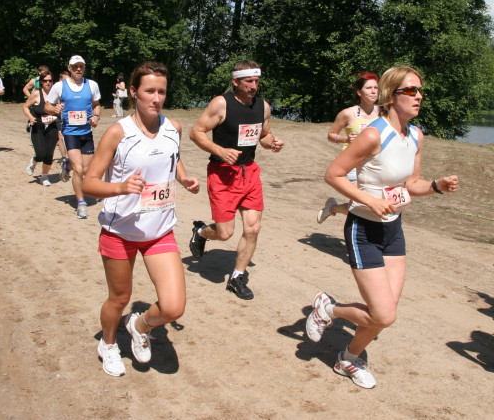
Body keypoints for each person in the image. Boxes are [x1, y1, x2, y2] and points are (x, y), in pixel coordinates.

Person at [305, 65, 458, 388]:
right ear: (391, 96)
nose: (419, 97)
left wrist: (436, 186)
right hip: (364, 230)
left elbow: (412, 183)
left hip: (393, 231)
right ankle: (329, 309)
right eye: (411, 91)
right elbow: (333, 174)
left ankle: (347, 358)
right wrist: (369, 200)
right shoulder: (373, 134)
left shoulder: (416, 136)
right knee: (384, 315)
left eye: (420, 90)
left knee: (384, 313)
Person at [82, 61, 200, 377]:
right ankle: (108, 344)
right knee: (120, 298)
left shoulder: (172, 127)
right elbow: (89, 182)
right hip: (120, 229)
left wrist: (185, 178)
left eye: (161, 91)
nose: (156, 98)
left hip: (159, 230)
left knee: (173, 307)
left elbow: (172, 159)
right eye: (149, 91)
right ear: (134, 92)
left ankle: (139, 325)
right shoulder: (118, 133)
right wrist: (120, 187)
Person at [188, 60, 284, 300]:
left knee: (253, 227)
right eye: (249, 81)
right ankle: (201, 232)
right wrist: (219, 150)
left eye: (256, 81)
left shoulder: (263, 107)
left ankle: (237, 277)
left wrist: (272, 142)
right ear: (236, 82)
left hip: (249, 172)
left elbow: (263, 135)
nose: (254, 86)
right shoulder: (221, 104)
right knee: (225, 233)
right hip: (222, 174)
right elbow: (196, 132)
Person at [317, 71, 380, 223]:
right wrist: (345, 138)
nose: (373, 91)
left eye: (376, 88)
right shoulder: (348, 114)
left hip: (375, 165)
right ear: (359, 92)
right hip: (353, 165)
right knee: (360, 204)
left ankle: (332, 208)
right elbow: (331, 135)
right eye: (369, 88)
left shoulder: (383, 113)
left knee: (360, 206)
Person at [45, 55, 102, 218]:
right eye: (75, 66)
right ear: (69, 68)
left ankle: (65, 166)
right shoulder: (59, 86)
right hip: (70, 133)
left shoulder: (91, 85)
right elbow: (47, 106)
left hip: (86, 133)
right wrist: (54, 110)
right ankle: (81, 203)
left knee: (84, 169)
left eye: (81, 66)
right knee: (78, 169)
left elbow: (97, 106)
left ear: (84, 68)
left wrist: (96, 117)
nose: (78, 69)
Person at [22, 71, 60, 186]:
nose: (48, 83)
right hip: (37, 126)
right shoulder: (36, 94)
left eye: (50, 81)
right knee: (41, 154)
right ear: (41, 82)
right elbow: (25, 107)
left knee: (49, 154)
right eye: (45, 81)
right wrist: (30, 117)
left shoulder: (57, 95)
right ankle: (34, 161)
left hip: (52, 127)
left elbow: (61, 109)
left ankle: (44, 176)